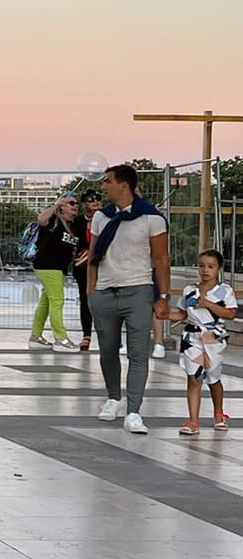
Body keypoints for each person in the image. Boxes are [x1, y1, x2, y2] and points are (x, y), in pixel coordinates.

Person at [88, 163, 171, 435]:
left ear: (124, 185)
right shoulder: (101, 216)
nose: (103, 186)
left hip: (138, 290)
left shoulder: (151, 217)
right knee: (108, 351)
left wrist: (163, 296)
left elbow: (161, 259)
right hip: (105, 292)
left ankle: (134, 411)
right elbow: (93, 256)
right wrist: (91, 293)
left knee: (138, 353)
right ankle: (113, 398)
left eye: (108, 181)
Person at [177, 251, 235, 436]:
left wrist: (209, 304)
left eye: (211, 266)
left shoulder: (224, 291)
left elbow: (231, 314)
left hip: (213, 338)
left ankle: (218, 413)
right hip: (192, 337)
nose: (205, 270)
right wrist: (164, 315)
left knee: (213, 377)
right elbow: (183, 314)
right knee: (194, 377)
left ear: (219, 269)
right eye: (201, 266)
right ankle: (193, 421)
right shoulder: (189, 290)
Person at [28, 196, 80, 351]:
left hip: (59, 268)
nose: (75, 205)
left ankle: (36, 337)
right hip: (49, 266)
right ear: (62, 207)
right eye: (71, 203)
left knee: (46, 302)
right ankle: (61, 339)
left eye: (77, 203)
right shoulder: (53, 220)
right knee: (57, 301)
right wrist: (56, 205)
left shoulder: (73, 225)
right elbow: (41, 219)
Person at [71, 189, 101, 351]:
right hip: (83, 265)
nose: (95, 202)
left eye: (97, 199)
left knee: (104, 299)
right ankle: (86, 335)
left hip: (102, 264)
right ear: (84, 204)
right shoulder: (77, 222)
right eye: (90, 200)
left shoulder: (106, 219)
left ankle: (108, 335)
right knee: (85, 299)